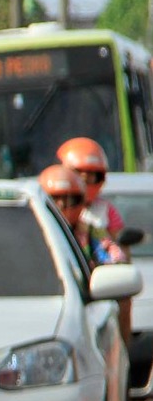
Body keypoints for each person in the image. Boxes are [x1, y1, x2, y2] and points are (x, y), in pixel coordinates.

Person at [55, 137, 132, 341]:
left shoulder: (101, 218)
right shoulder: (42, 213)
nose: (65, 206)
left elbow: (117, 254)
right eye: (59, 200)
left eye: (91, 177)